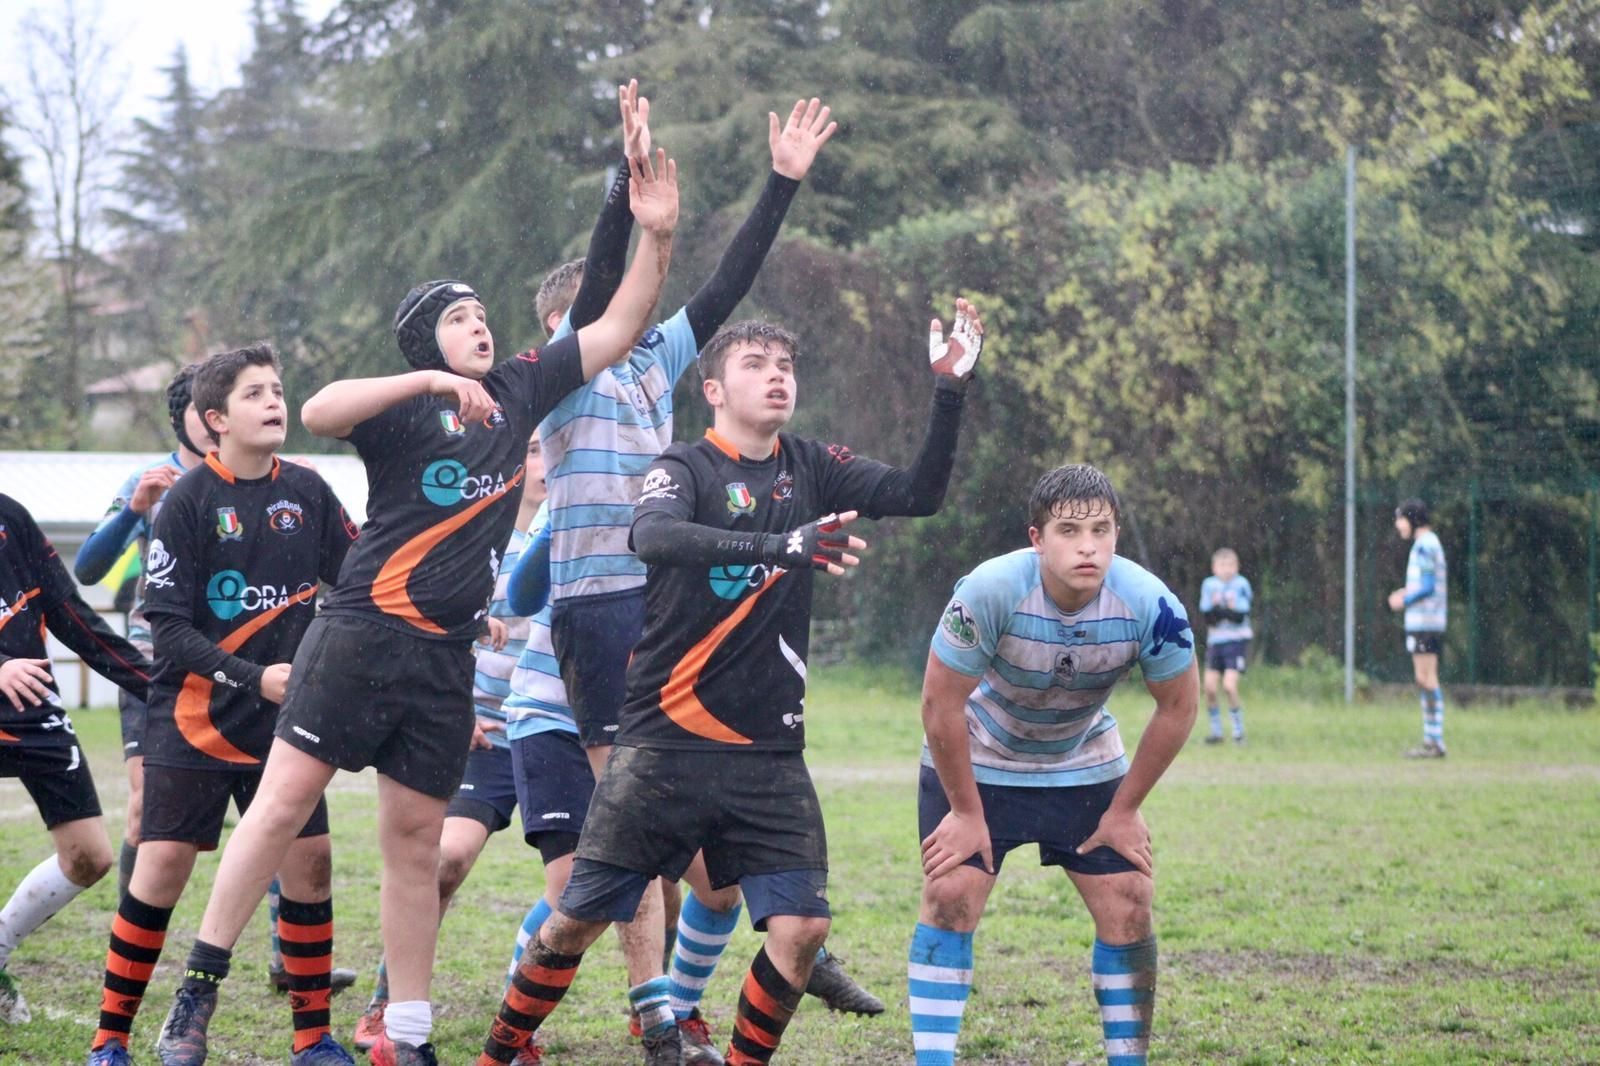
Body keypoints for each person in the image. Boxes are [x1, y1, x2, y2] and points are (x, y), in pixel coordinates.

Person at [152, 145, 680, 1066]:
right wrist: (433, 383)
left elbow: (625, 314)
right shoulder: (401, 405)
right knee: (278, 811)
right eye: (460, 319)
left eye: (483, 316)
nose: (480, 329)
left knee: (413, 840)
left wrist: (656, 228)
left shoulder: (521, 388)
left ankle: (408, 1033)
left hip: (444, 662)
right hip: (357, 637)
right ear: (425, 340)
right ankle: (195, 995)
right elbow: (320, 405)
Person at [477, 300, 985, 1066]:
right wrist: (784, 544)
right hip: (661, 747)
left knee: (804, 930)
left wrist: (948, 393)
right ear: (712, 388)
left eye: (785, 367)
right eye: (755, 365)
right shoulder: (681, 467)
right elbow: (653, 536)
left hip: (767, 755)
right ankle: (498, 1051)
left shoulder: (811, 466)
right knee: (578, 919)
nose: (777, 378)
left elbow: (920, 493)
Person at [84, 344, 358, 1066]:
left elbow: (360, 581)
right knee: (164, 862)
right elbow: (166, 628)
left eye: (278, 389)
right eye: (255, 393)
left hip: (286, 720)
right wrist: (250, 675)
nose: (275, 402)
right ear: (215, 420)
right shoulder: (188, 500)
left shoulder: (310, 491)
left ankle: (312, 1039)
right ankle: (111, 1037)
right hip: (195, 715)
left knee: (312, 865)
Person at [910, 464, 1199, 1066]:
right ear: (1037, 539)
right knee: (951, 896)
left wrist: (1126, 810)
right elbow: (940, 703)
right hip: (981, 761)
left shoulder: (1153, 605)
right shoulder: (990, 590)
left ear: (1117, 533)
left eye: (1101, 529)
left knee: (1129, 899)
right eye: (1069, 530)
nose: (1087, 546)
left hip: (1083, 762)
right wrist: (965, 811)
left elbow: (1178, 707)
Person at [352, 433, 547, 1064]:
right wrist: (456, 707)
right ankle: (388, 998)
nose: (541, 464)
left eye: (551, 450)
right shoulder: (472, 539)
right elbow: (431, 626)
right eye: (532, 449)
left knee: (638, 875)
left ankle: (541, 1012)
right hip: (484, 736)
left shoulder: (582, 536)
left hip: (558, 738)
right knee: (445, 862)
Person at [0, 494, 153, 1025]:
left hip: (31, 703)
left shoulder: (11, 515)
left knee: (89, 858)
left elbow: (69, 614)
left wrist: (156, 685)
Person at [72, 365, 205, 900]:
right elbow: (86, 570)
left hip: (238, 661)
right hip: (153, 663)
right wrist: (134, 511)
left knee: (272, 805)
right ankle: (126, 948)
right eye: (205, 404)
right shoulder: (149, 480)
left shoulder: (261, 480)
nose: (219, 413)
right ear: (181, 417)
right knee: (146, 804)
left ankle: (285, 957)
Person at [1388, 498, 1447, 758]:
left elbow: (1428, 586)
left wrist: (1404, 600)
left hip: (1426, 622)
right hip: (1426, 621)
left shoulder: (1424, 546)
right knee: (1423, 679)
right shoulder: (1427, 544)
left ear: (1412, 519)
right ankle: (1431, 739)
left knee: (1427, 678)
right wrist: (1407, 592)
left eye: (1400, 518)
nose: (1397, 524)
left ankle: (1435, 742)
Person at [1198, 547, 1252, 744]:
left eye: (1230, 565)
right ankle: (1217, 732)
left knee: (1229, 687)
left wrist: (1221, 611)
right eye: (1222, 565)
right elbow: (1208, 616)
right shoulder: (1209, 585)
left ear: (1237, 567)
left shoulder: (1241, 584)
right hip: (1215, 642)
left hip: (1235, 641)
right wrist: (1222, 611)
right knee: (1210, 688)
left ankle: (1238, 732)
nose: (1226, 569)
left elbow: (1239, 616)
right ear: (1214, 568)